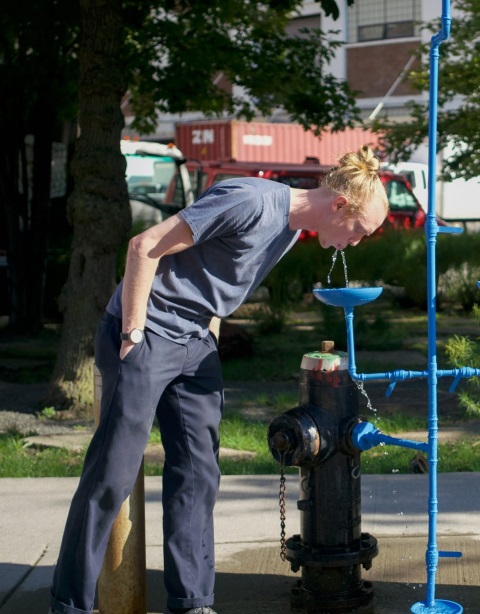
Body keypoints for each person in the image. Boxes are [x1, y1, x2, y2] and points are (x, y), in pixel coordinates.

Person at [49, 146, 390, 614]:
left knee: (199, 473)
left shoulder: (288, 231)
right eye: (360, 232)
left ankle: (192, 602)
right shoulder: (249, 201)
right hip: (146, 334)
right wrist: (132, 333)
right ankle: (69, 605)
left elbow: (210, 282)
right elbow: (144, 245)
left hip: (196, 344)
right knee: (112, 474)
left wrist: (206, 340)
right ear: (339, 206)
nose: (356, 243)